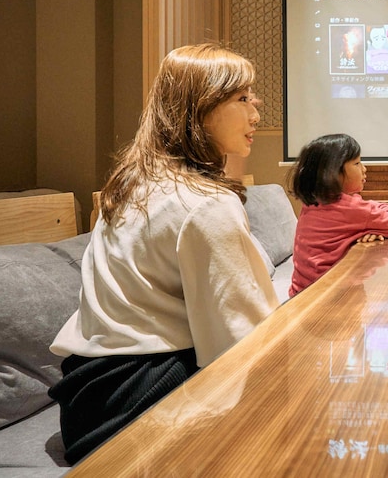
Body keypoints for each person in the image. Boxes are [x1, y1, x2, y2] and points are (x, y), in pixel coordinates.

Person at [48, 43, 279, 465]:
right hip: (140, 403)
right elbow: (244, 344)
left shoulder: (130, 184)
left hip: (85, 398)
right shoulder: (204, 203)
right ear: (202, 108)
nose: (256, 115)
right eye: (243, 99)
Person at [289, 133, 388, 297]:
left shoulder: (311, 203)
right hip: (332, 299)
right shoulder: (353, 209)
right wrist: (373, 207)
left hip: (300, 296)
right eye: (357, 163)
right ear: (333, 172)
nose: (364, 169)